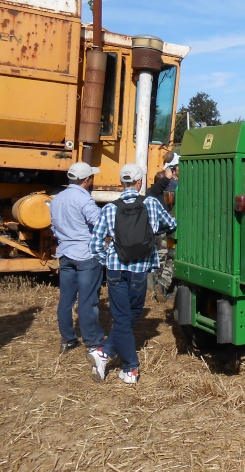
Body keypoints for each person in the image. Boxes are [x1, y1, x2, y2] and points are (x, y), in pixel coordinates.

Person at [86, 163, 177, 384]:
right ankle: (131, 368)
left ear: (121, 182)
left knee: (123, 317)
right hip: (139, 270)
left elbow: (95, 245)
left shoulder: (109, 208)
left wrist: (108, 260)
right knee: (131, 314)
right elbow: (172, 224)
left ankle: (104, 351)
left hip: (117, 269)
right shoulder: (152, 204)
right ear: (139, 182)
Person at [50, 162, 105, 354]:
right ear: (87, 180)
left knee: (66, 299)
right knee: (87, 300)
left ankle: (67, 339)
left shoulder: (57, 198)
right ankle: (92, 341)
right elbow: (99, 222)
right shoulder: (84, 200)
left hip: (65, 253)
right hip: (85, 254)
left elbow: (53, 227)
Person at [149, 155, 179, 301]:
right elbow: (169, 220)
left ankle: (154, 290)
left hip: (149, 234)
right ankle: (162, 286)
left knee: (157, 262)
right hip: (162, 233)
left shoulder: (148, 195)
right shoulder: (165, 195)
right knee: (171, 259)